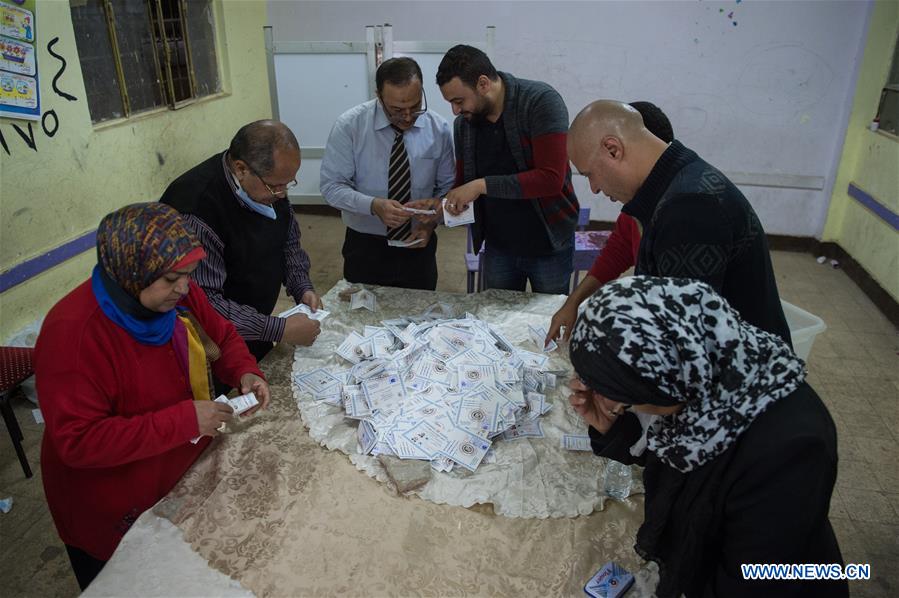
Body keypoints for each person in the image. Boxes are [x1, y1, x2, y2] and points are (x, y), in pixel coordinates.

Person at [34, 203, 270, 590]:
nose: (184, 288)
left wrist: (245, 371)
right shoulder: (73, 335)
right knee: (127, 582)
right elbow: (79, 441)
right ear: (130, 271)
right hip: (110, 495)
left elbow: (222, 336)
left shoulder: (174, 295)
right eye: (172, 279)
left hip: (174, 466)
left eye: (188, 275)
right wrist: (185, 420)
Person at [568, 276, 846, 598]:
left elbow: (752, 582)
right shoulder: (703, 372)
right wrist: (612, 425)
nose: (614, 404)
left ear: (665, 384)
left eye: (624, 400)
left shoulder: (790, 450)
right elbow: (673, 456)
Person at [565, 100, 792, 345]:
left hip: (742, 365)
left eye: (589, 174)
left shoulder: (689, 207)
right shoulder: (675, 183)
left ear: (613, 150)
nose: (594, 188)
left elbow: (686, 342)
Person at [161, 120, 321, 366]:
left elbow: (288, 242)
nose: (282, 194)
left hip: (254, 325)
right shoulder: (196, 212)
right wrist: (278, 329)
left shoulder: (267, 184)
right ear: (241, 168)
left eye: (288, 183)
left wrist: (302, 286)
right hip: (210, 345)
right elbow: (205, 304)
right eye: (276, 186)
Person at [437, 44, 579, 294]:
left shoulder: (540, 102)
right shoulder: (465, 125)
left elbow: (551, 179)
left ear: (483, 84)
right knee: (497, 313)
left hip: (548, 242)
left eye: (459, 101)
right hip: (498, 245)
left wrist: (481, 185)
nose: (455, 111)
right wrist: (438, 205)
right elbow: (463, 183)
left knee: (549, 314)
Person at [320, 57, 455, 290]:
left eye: (415, 106)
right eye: (397, 110)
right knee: (363, 308)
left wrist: (431, 222)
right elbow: (331, 186)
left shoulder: (438, 129)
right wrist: (373, 206)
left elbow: (448, 188)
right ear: (379, 96)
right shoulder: (350, 126)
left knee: (419, 309)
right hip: (365, 245)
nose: (407, 117)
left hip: (419, 243)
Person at [546, 101, 674, 344]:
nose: (594, 189)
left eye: (591, 174)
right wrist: (573, 301)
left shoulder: (680, 211)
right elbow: (615, 254)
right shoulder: (637, 205)